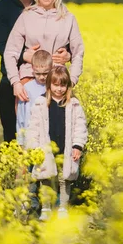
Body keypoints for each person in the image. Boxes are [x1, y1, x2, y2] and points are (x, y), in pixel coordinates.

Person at [0, 0, 70, 142]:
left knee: (50, 130)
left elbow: (61, 37)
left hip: (46, 78)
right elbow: (3, 46)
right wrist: (26, 56)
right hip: (12, 79)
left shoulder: (45, 0)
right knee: (13, 132)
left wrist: (68, 55)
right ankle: (15, 169)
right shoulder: (3, 8)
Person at [4, 0, 84, 104]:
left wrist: (72, 80)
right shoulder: (26, 16)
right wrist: (16, 82)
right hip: (29, 76)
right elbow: (10, 52)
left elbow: (78, 53)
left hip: (58, 81)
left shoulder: (68, 18)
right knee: (28, 123)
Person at [26, 65, 88, 220]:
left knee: (64, 179)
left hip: (65, 148)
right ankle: (46, 209)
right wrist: (34, 147)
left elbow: (80, 127)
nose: (59, 89)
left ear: (68, 86)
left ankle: (63, 209)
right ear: (49, 84)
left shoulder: (73, 104)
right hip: (45, 148)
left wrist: (77, 146)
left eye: (63, 85)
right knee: (45, 178)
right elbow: (33, 127)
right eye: (55, 85)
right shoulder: (41, 103)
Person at [16, 49, 53, 146]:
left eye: (45, 73)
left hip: (50, 136)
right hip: (31, 136)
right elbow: (21, 116)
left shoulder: (54, 87)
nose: (42, 77)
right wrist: (20, 140)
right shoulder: (27, 88)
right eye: (38, 73)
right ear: (32, 69)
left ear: (51, 68)